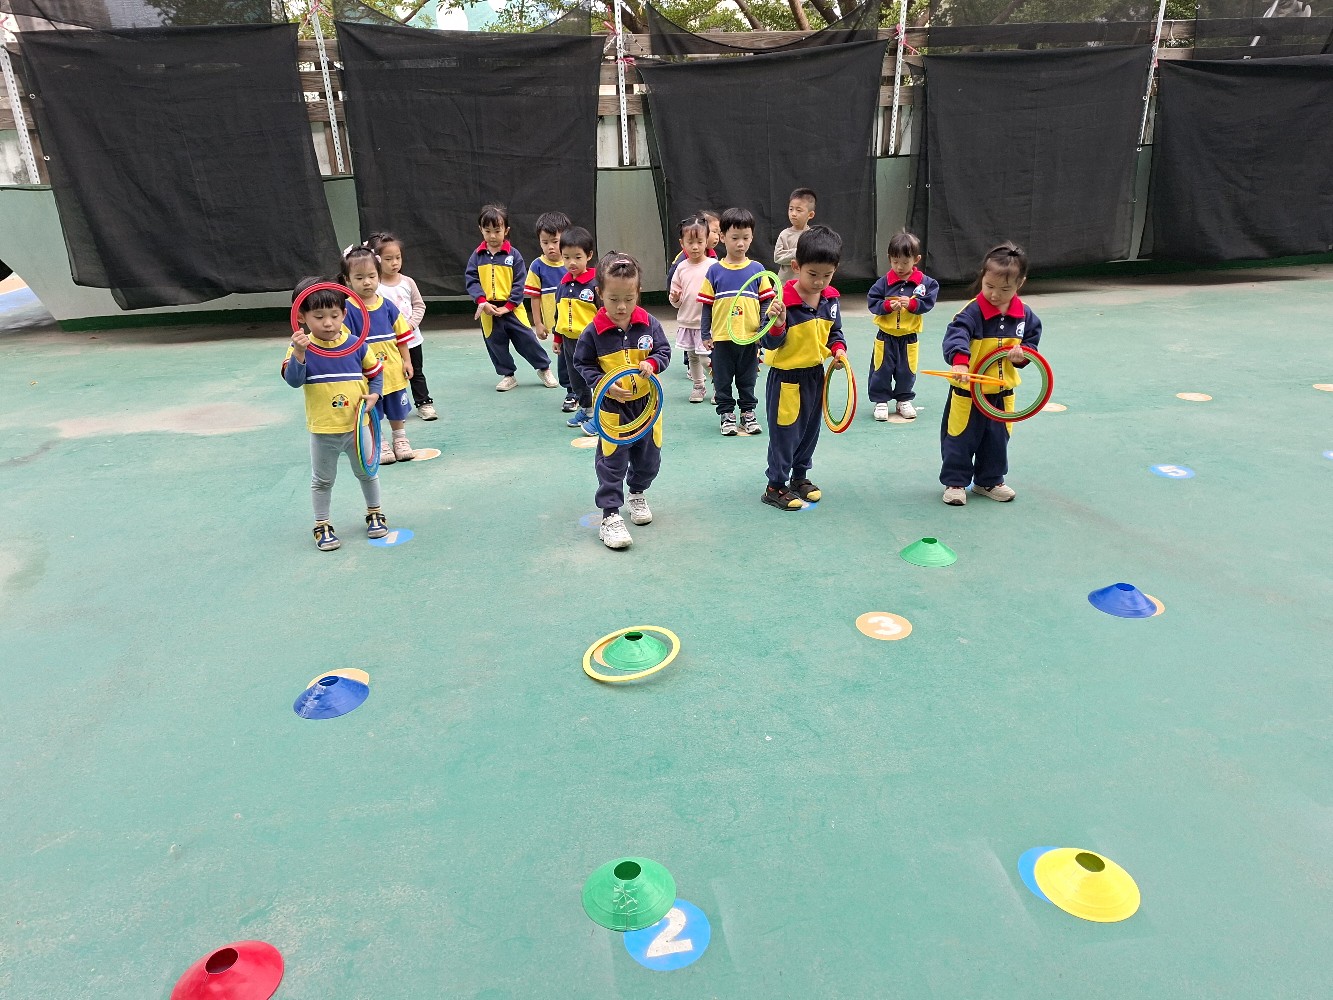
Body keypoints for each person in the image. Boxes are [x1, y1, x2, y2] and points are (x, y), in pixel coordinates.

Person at [572, 253, 671, 551]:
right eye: (613, 299)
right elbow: (582, 363)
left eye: (629, 298)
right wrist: (603, 383)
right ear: (599, 293)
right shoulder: (593, 331)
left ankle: (637, 492)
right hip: (613, 409)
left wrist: (652, 363)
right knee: (612, 462)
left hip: (646, 407)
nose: (622, 307)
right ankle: (610, 515)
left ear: (638, 292)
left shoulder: (649, 324)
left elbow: (664, 352)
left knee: (649, 459)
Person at [282, 277, 388, 551]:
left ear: (344, 313)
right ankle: (322, 524)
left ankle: (375, 512)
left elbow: (376, 373)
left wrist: (375, 394)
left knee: (367, 473)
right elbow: (294, 381)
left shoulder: (356, 344)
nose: (328, 323)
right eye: (319, 317)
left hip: (357, 427)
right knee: (322, 480)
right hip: (323, 430)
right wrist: (300, 353)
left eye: (335, 315)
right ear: (301, 317)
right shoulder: (300, 347)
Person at [939, 241, 1042, 506]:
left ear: (1020, 284)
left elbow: (1032, 342)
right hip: (968, 391)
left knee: (997, 440)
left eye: (1004, 289)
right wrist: (960, 362)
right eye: (989, 286)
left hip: (1002, 394)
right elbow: (956, 335)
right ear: (982, 277)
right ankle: (955, 482)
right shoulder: (972, 312)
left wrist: (1024, 354)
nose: (995, 294)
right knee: (960, 437)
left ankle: (989, 481)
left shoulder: (1025, 316)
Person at [759, 226, 847, 510]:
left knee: (810, 431)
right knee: (785, 433)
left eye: (827, 275)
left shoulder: (831, 299)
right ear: (796, 267)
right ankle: (775, 486)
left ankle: (799, 477)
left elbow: (835, 332)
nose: (820, 281)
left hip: (815, 376)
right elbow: (768, 342)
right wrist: (778, 323)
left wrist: (838, 349)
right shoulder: (781, 301)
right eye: (813, 274)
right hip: (787, 380)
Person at [464, 203, 557, 392]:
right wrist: (482, 302)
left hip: (513, 309)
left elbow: (519, 282)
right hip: (488, 310)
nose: (492, 236)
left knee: (527, 340)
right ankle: (508, 375)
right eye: (487, 231)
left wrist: (509, 306)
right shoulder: (477, 256)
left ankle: (544, 368)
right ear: (480, 230)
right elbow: (471, 280)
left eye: (497, 231)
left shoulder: (514, 255)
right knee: (495, 343)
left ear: (506, 230)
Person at [698, 207, 774, 437]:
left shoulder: (757, 270)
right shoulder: (714, 271)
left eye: (746, 238)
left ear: (752, 237)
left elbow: (766, 302)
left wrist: (762, 329)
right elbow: (707, 306)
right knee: (722, 379)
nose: (741, 243)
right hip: (722, 338)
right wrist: (705, 334)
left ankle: (748, 413)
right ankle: (726, 414)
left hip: (749, 339)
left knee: (747, 379)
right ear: (722, 237)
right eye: (735, 238)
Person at [342, 245, 415, 464]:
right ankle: (379, 441)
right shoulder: (346, 310)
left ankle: (400, 438)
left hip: (392, 370)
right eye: (359, 277)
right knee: (372, 408)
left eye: (372, 276)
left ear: (379, 275)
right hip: (366, 375)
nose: (367, 282)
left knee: (397, 407)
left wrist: (407, 361)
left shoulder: (388, 306)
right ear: (347, 280)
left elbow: (402, 337)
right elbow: (344, 343)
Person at [867, 230, 939, 421]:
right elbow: (872, 302)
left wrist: (913, 304)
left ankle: (903, 400)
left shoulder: (924, 283)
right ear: (889, 258)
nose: (899, 267)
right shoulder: (883, 283)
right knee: (881, 369)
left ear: (916, 259)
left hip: (909, 337)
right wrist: (887, 306)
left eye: (905, 262)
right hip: (885, 337)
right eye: (895, 261)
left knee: (907, 371)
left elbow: (930, 298)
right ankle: (881, 401)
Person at [368, 232, 434, 422]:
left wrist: (411, 325)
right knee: (393, 374)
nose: (394, 263)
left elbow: (419, 305)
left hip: (412, 340)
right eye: (388, 259)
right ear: (377, 260)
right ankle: (397, 410)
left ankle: (424, 403)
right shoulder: (375, 287)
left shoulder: (408, 282)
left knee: (416, 372)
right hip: (388, 343)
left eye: (398, 257)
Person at [524, 210, 576, 411]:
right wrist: (538, 323)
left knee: (583, 358)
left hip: (579, 325)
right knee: (565, 362)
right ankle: (572, 392)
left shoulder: (573, 263)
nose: (550, 247)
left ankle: (586, 392)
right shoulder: (537, 266)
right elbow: (534, 297)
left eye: (555, 241)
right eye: (545, 242)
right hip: (558, 328)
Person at [554, 226, 599, 436]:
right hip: (569, 341)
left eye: (577, 257)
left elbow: (603, 312)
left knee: (595, 377)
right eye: (566, 257)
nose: (571, 262)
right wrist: (557, 337)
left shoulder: (595, 284)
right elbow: (559, 314)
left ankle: (602, 413)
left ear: (589, 255)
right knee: (576, 378)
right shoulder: (563, 285)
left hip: (591, 341)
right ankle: (586, 409)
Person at [668, 215, 713, 404]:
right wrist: (675, 298)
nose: (695, 247)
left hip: (707, 324)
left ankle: (719, 384)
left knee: (705, 358)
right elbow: (675, 300)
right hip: (687, 321)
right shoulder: (681, 268)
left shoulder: (713, 266)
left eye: (700, 242)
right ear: (682, 243)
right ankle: (698, 386)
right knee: (693, 357)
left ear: (707, 241)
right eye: (690, 242)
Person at [773, 187, 816, 288]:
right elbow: (777, 257)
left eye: (799, 210)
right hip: (784, 285)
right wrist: (797, 252)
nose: (793, 214)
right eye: (791, 209)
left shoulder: (813, 235)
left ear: (810, 215)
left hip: (804, 286)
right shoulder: (784, 234)